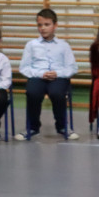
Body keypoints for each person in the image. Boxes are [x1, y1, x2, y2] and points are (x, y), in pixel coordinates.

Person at [18, 8, 79, 140]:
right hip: (38, 77)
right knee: (32, 92)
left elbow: (72, 67)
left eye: (47, 24)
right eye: (40, 25)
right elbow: (24, 67)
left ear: (55, 25)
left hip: (58, 78)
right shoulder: (31, 45)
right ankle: (33, 127)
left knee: (57, 93)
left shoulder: (64, 45)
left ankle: (62, 127)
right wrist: (40, 74)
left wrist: (57, 73)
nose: (43, 28)